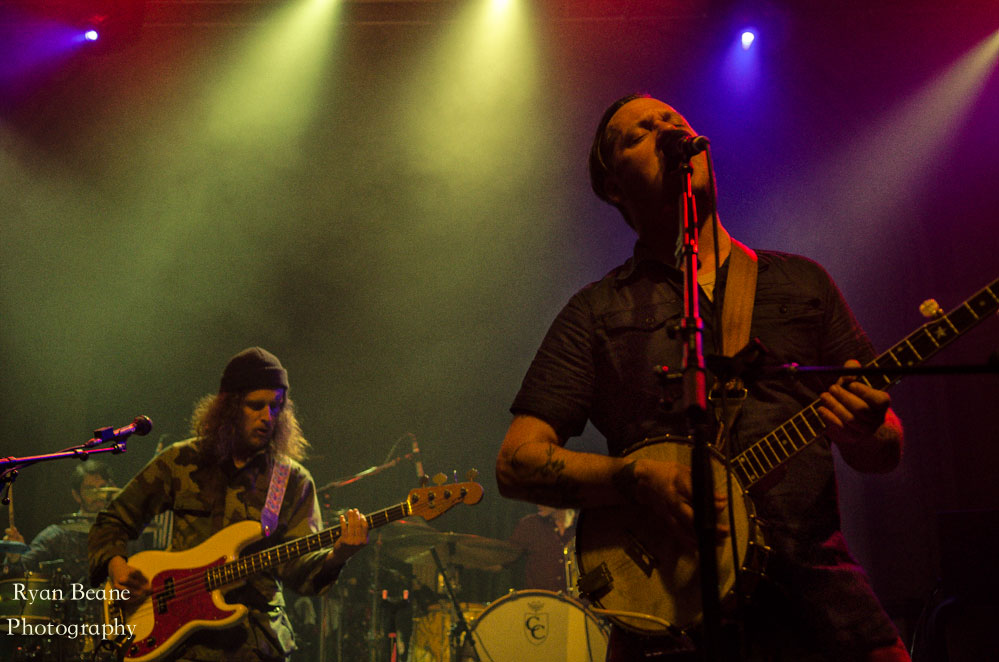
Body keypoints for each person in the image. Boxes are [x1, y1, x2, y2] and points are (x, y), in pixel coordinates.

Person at [494, 94, 910, 661]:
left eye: (674, 122)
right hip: (666, 615)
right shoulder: (596, 312)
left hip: (821, 606)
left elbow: (884, 448)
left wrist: (866, 430)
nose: (666, 129)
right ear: (613, 187)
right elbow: (516, 463)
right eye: (639, 133)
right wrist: (636, 478)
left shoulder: (802, 283)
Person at [88, 347, 369, 662]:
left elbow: (299, 572)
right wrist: (116, 565)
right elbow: (112, 520)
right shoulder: (181, 461)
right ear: (229, 407)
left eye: (276, 406)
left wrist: (339, 555)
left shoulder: (291, 480)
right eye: (256, 405)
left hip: (255, 645)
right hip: (181, 646)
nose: (268, 417)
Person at [509, 504, 577, 593]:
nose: (538, 503)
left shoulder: (585, 525)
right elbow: (504, 557)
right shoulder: (530, 524)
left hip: (575, 601)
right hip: (539, 600)